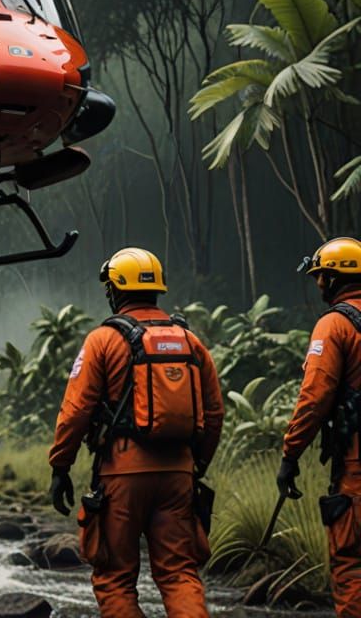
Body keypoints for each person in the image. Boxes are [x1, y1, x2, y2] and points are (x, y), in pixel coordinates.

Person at [49, 247, 224, 618]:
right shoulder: (191, 342)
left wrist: (60, 466)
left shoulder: (103, 340)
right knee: (179, 574)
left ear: (116, 289)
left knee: (115, 578)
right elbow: (214, 413)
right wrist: (197, 465)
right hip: (179, 476)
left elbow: (76, 410)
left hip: (121, 477)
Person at [278, 236, 361, 617]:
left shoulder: (335, 325)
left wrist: (290, 454)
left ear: (333, 278)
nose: (318, 284)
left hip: (357, 471)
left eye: (320, 276)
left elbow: (314, 399)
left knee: (351, 566)